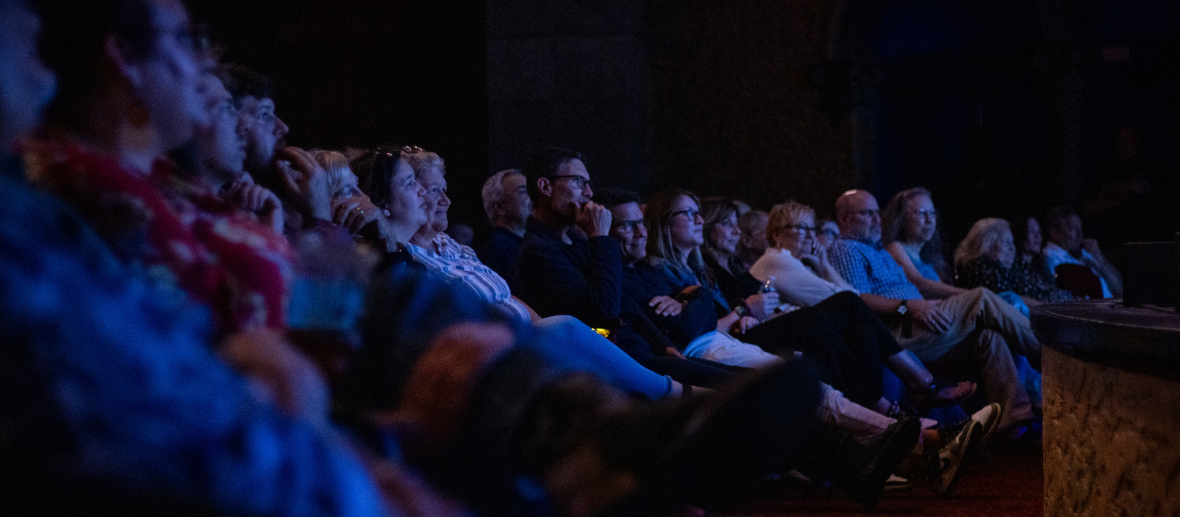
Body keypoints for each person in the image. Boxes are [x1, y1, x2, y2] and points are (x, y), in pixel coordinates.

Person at [1, 1, 436, 513]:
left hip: (291, 432)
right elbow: (184, 387)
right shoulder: (83, 185)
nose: (201, 65)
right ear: (122, 57)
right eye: (186, 40)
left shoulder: (160, 186)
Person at [352, 147, 693, 399]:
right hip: (503, 361)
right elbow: (605, 307)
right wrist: (601, 239)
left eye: (440, 188)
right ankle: (680, 395)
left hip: (554, 343)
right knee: (571, 332)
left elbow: (508, 297)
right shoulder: (520, 249)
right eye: (418, 186)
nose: (440, 199)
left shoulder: (451, 246)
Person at [827, 189, 1042, 436]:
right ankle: (1046, 353)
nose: (877, 219)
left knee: (989, 338)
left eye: (877, 213)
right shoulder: (846, 248)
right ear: (844, 219)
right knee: (981, 296)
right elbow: (858, 300)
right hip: (899, 331)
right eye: (867, 213)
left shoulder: (878, 251)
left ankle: (1016, 418)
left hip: (924, 322)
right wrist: (907, 306)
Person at [218, 63, 335, 237]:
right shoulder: (224, 214)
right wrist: (320, 214)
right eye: (264, 114)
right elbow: (324, 265)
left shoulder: (265, 205)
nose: (283, 127)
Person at [954, 218, 1075, 307]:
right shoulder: (981, 267)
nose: (1012, 249)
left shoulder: (1014, 265)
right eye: (1007, 243)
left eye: (1012, 243)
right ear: (988, 245)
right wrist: (1047, 307)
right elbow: (1007, 298)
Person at [882, 187, 966, 299]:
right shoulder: (896, 247)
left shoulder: (927, 257)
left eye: (932, 213)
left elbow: (942, 292)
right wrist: (971, 295)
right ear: (902, 219)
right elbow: (919, 285)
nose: (929, 220)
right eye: (922, 213)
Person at [1042, 205, 1123, 299]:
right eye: (1073, 229)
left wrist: (1100, 259)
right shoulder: (1052, 257)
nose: (1080, 234)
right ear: (1055, 232)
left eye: (1080, 228)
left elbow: (1120, 289)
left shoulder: (1084, 252)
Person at [700, 197, 763, 303]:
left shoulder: (735, 264)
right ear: (707, 227)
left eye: (736, 223)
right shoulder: (705, 271)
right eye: (726, 223)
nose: (737, 231)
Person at [478, 168, 530, 290]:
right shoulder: (499, 250)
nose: (534, 197)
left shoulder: (524, 244)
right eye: (524, 191)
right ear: (500, 207)